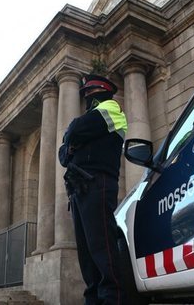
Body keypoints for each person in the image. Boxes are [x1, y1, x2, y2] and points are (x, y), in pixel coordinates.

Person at [58, 74, 128, 305]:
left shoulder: (112, 108)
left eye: (90, 92)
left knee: (102, 247)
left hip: (98, 183)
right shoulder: (92, 117)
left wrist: (72, 138)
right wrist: (71, 141)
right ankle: (94, 300)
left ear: (102, 90)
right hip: (79, 188)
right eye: (85, 93)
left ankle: (112, 299)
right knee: (86, 255)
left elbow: (76, 130)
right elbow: (63, 155)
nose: (87, 96)